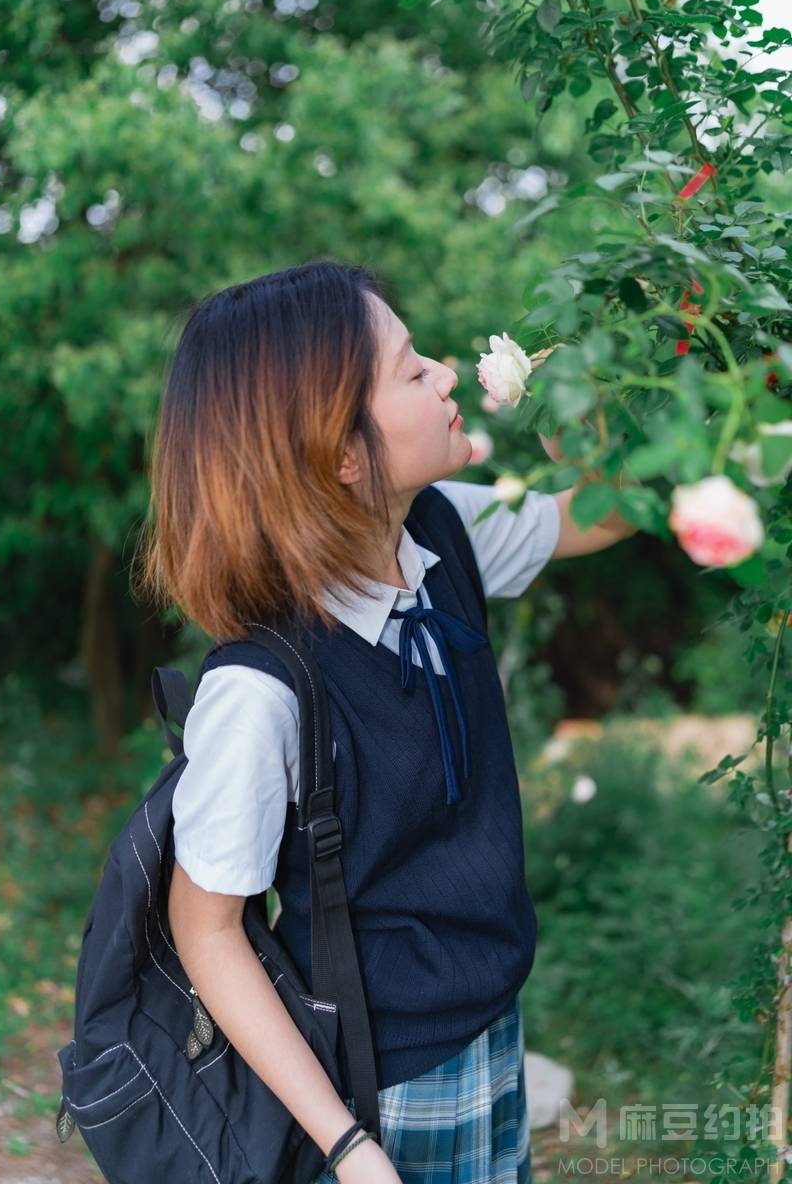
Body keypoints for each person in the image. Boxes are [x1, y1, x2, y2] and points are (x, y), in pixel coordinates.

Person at [133, 257, 630, 1183]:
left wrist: (591, 440)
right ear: (342, 455)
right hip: (375, 1091)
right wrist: (349, 1147)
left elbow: (603, 516)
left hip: (491, 1031)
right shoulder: (261, 690)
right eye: (412, 369)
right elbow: (207, 931)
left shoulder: (439, 532)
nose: (448, 373)